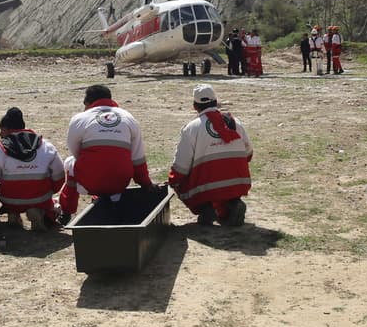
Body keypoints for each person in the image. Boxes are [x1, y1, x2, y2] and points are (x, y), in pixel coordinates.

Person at [59, 84, 155, 219]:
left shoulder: (79, 118)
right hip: (120, 182)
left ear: (87, 102)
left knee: (70, 162)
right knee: (118, 161)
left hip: (90, 181)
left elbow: (75, 151)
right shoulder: (129, 117)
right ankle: (114, 200)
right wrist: (146, 183)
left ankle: (67, 211)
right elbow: (138, 158)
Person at [168, 85, 253, 226]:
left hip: (206, 188)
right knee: (222, 184)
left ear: (195, 106)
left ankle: (204, 208)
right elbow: (248, 154)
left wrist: (173, 181)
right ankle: (231, 204)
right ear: (216, 101)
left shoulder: (191, 128)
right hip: (238, 183)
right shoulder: (235, 122)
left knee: (182, 181)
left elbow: (181, 167)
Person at [0, 107, 66, 231]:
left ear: (4, 129)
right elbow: (60, 175)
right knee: (54, 205)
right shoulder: (46, 146)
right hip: (40, 198)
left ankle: (13, 214)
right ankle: (38, 211)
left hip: (10, 200)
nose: (0, 135)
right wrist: (50, 190)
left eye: (1, 131)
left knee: (6, 190)